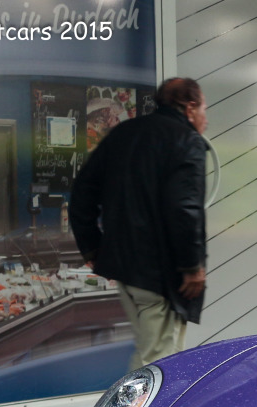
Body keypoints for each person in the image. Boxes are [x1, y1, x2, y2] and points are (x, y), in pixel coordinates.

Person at [69, 77, 209, 371]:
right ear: (190, 106)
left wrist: (92, 248)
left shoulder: (124, 133)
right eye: (204, 108)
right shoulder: (186, 141)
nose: (205, 117)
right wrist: (192, 266)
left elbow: (82, 193)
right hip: (161, 276)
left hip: (126, 271)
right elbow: (185, 208)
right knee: (159, 365)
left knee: (149, 355)